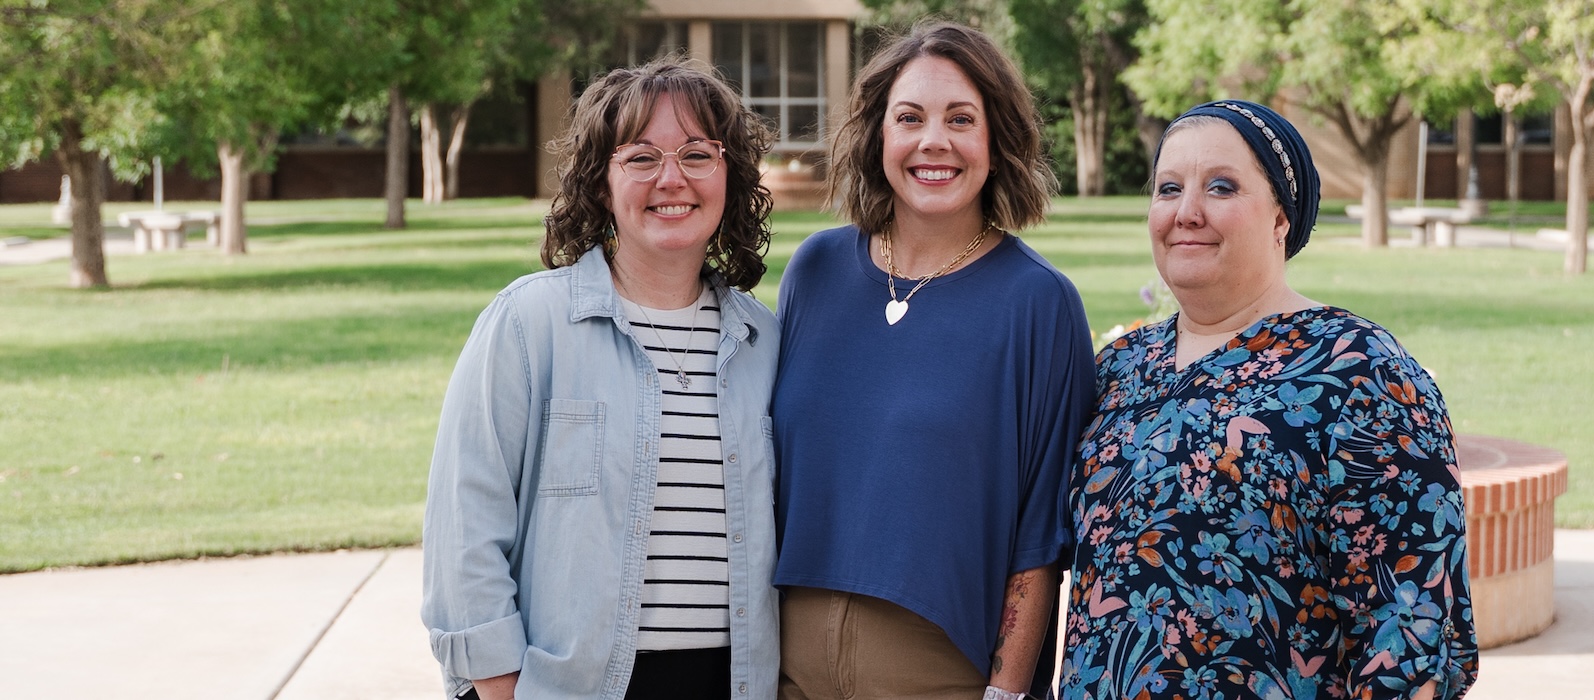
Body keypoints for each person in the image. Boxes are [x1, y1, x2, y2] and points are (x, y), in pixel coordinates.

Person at [1057, 100, 1478, 700]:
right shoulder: (1120, 369)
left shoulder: (1360, 373)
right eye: (1169, 188)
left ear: (1282, 218)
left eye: (1221, 187)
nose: (1187, 211)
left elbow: (1410, 633)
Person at [420, 59, 781, 700]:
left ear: (731, 176)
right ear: (600, 182)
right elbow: (465, 526)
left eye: (697, 154)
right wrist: (499, 688)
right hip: (571, 686)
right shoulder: (530, 324)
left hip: (732, 682)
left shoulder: (764, 342)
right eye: (641, 158)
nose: (672, 178)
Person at [769, 21, 1096, 700]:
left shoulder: (1038, 303)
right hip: (785, 665)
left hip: (942, 672)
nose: (933, 141)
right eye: (910, 117)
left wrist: (1005, 693)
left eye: (961, 119)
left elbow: (1041, 536)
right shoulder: (816, 271)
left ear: (996, 139)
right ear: (879, 135)